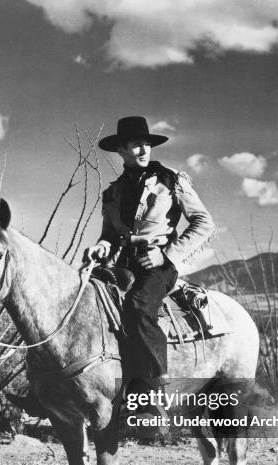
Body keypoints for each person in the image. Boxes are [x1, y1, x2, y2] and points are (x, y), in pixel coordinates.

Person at [85, 116, 215, 403]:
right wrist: (101, 247)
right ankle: (58, 387)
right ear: (121, 150)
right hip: (121, 265)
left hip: (158, 266)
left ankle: (152, 394)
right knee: (81, 301)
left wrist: (166, 255)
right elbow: (109, 234)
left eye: (146, 144)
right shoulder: (113, 192)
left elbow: (204, 223)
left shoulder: (172, 181)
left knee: (139, 306)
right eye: (135, 145)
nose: (143, 150)